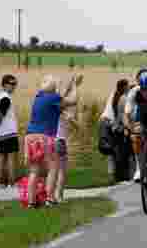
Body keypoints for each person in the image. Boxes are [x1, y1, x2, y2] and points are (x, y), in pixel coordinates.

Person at [25, 74, 80, 208]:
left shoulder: (38, 97)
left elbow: (59, 106)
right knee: (53, 167)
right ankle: (50, 198)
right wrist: (75, 86)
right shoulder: (53, 98)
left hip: (30, 136)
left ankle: (31, 202)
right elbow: (73, 101)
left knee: (34, 170)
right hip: (45, 136)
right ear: (53, 87)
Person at [53, 74, 80, 203]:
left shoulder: (51, 106)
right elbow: (74, 100)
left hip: (48, 140)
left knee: (52, 171)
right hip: (60, 141)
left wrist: (71, 86)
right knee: (62, 171)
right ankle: (59, 196)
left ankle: (50, 196)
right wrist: (74, 85)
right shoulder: (64, 110)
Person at [0, 74, 19, 200]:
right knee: (10, 159)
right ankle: (11, 184)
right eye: (11, 83)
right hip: (9, 132)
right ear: (4, 84)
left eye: (15, 84)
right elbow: (0, 114)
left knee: (1, 158)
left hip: (1, 133)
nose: (13, 86)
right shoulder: (6, 98)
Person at [100, 79, 130, 184]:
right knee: (118, 152)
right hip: (113, 126)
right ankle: (120, 176)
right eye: (127, 86)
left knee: (113, 153)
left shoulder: (115, 95)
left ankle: (113, 176)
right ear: (124, 87)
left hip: (109, 125)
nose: (128, 88)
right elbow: (121, 116)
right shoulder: (123, 98)